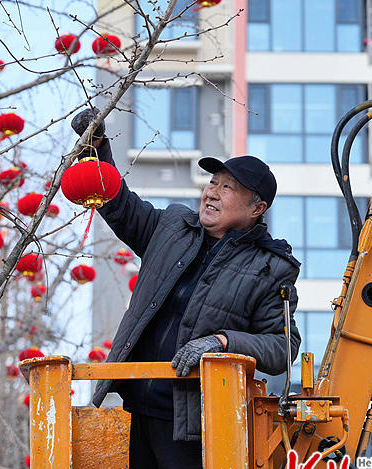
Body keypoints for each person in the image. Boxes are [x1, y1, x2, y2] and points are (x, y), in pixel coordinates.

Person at [71, 108, 302, 468]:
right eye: (213, 182)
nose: (212, 193)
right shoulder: (172, 226)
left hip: (196, 427)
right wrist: (97, 147)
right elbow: (120, 205)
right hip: (134, 408)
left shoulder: (270, 267)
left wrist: (222, 342)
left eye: (228, 188)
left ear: (257, 208)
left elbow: (283, 347)